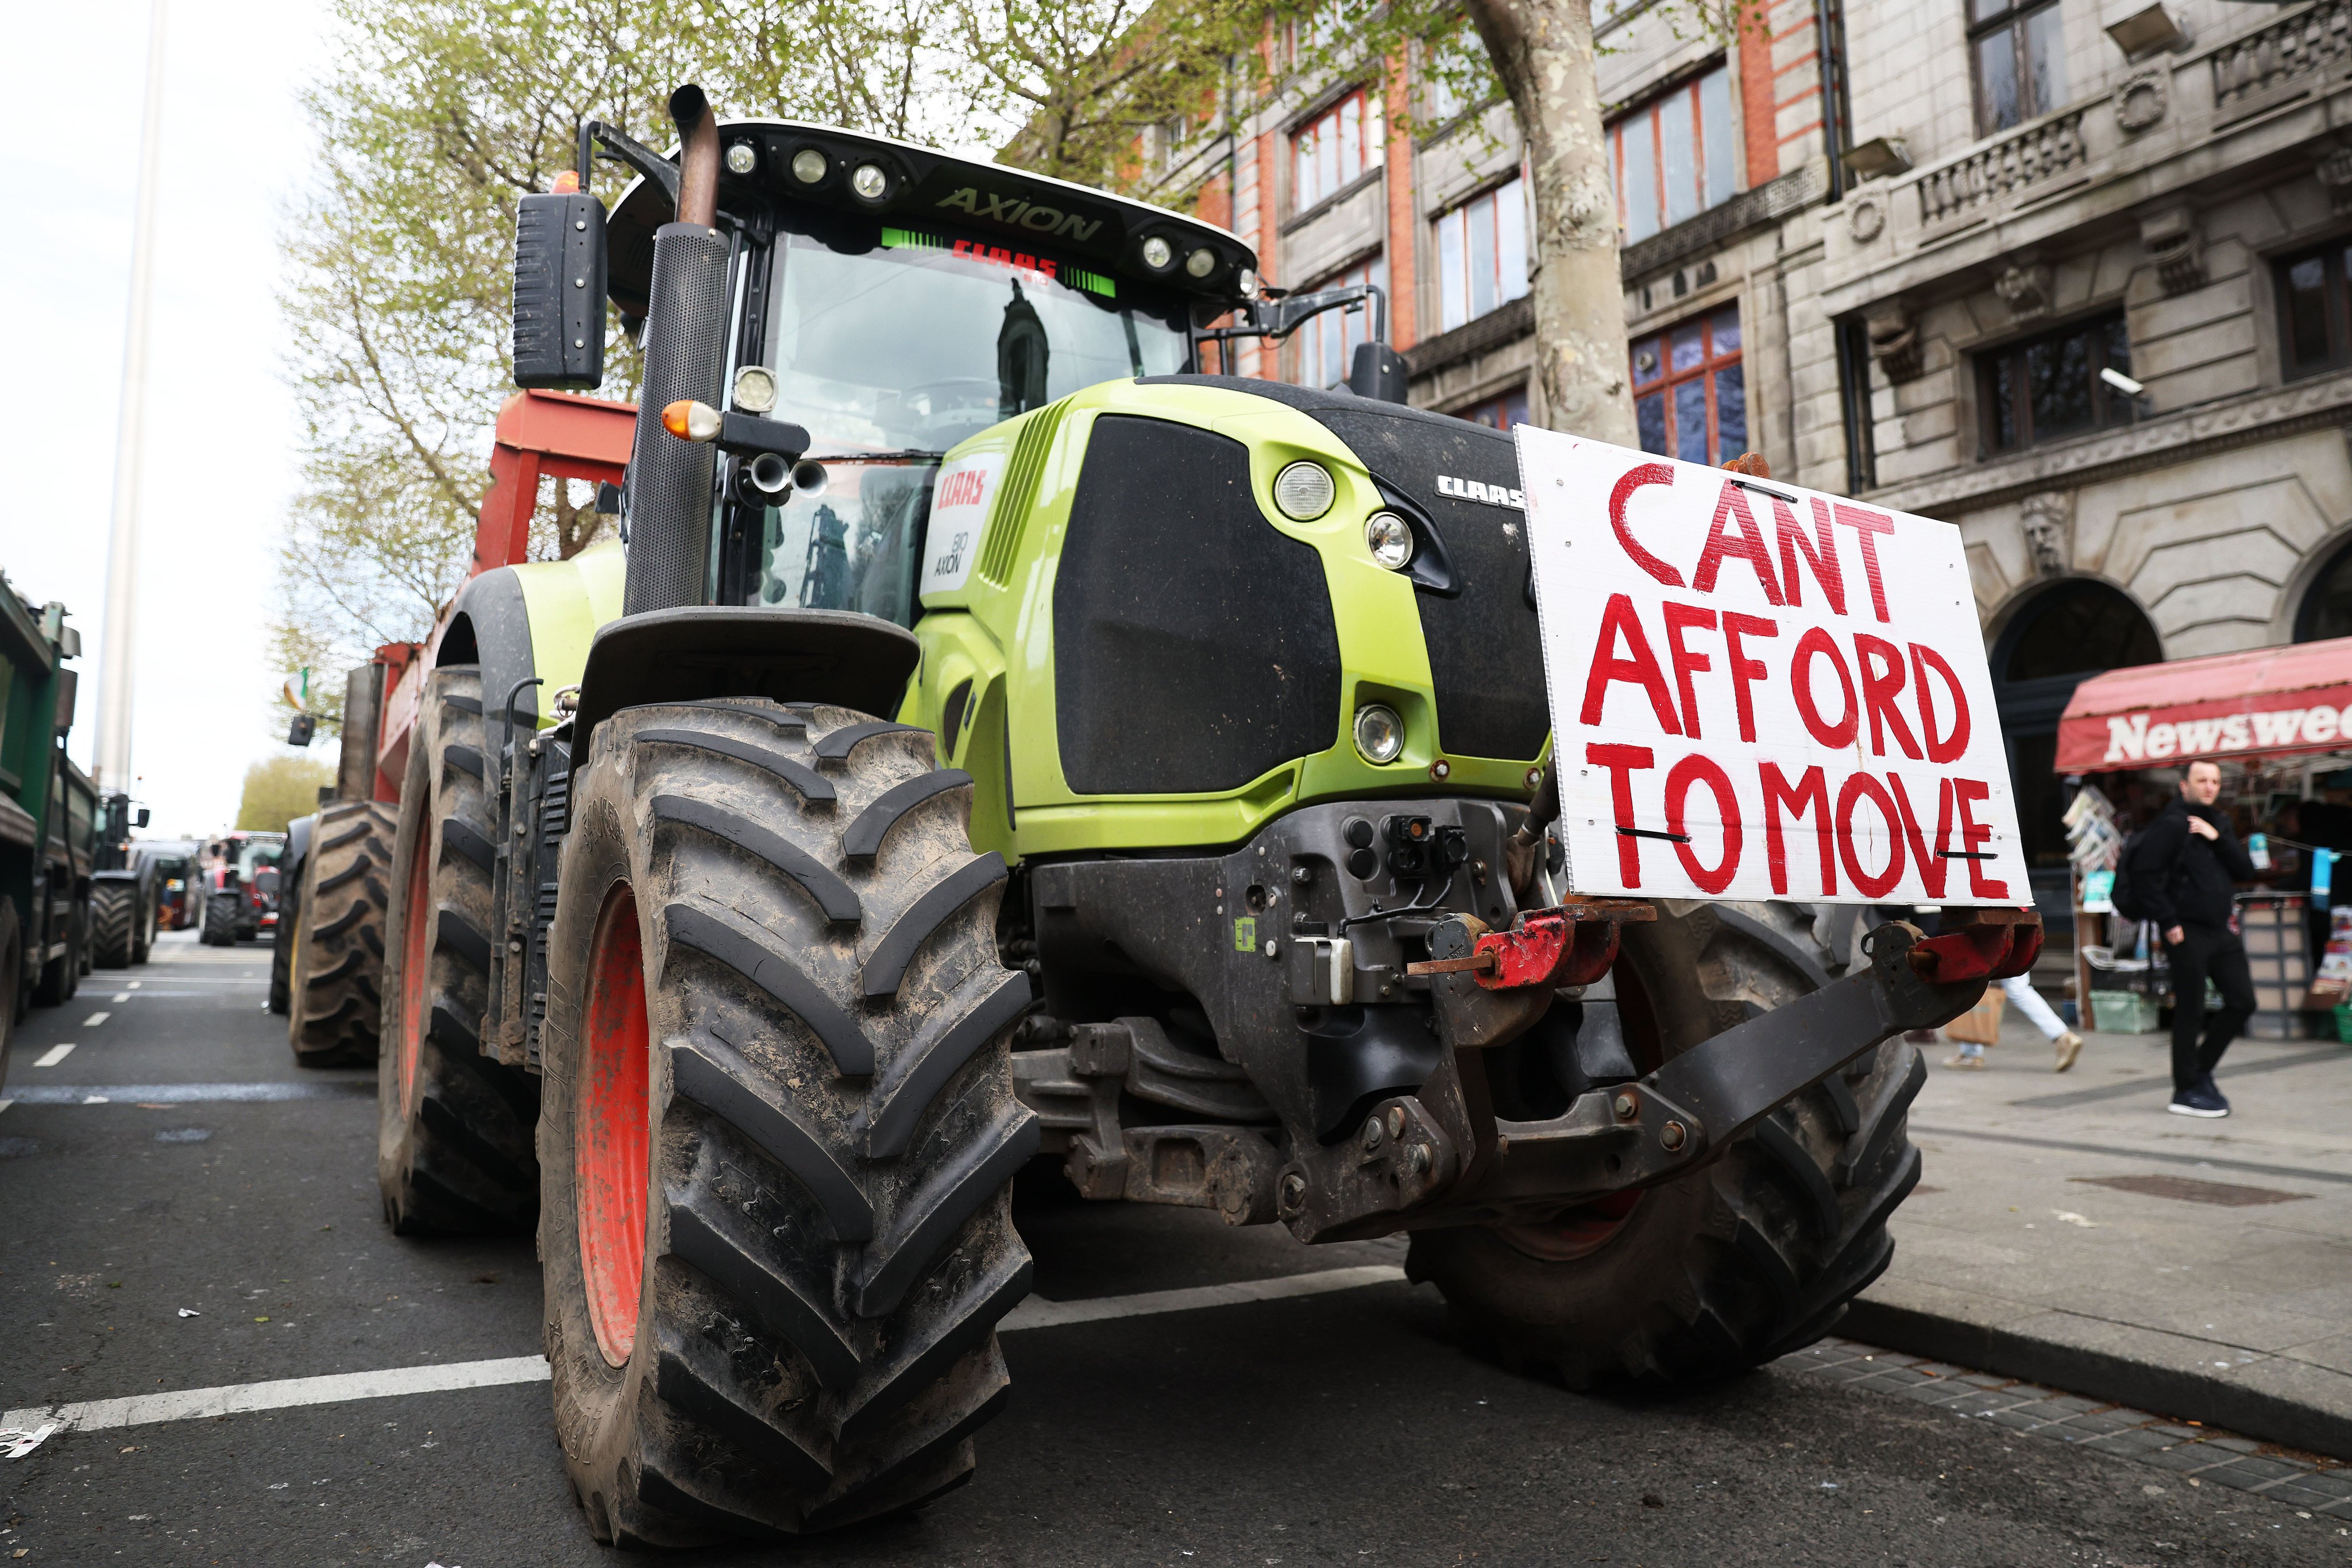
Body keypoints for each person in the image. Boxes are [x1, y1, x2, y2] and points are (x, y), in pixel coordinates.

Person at [2125, 759, 2258, 1118]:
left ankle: (2199, 1071)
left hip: (2219, 930)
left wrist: (2218, 838)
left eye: (2215, 780)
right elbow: (2145, 875)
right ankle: (2185, 1090)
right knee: (2191, 1009)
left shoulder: (2219, 822)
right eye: (2202, 780)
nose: (2210, 787)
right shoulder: (2171, 824)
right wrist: (2169, 922)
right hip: (2186, 931)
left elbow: (2245, 870)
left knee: (2243, 1001)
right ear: (2184, 786)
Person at [1942, 974, 2084, 1071]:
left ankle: (1971, 1053)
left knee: (1972, 982)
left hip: (1989, 934)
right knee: (2018, 989)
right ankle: (2062, 1036)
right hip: (2021, 935)